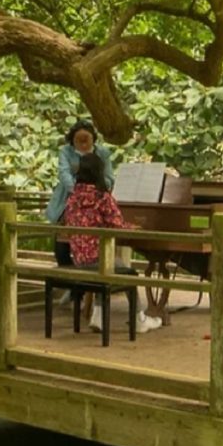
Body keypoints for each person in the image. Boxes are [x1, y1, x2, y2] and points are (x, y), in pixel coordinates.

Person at [62, 152, 161, 334]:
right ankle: (139, 320)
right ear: (99, 172)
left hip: (79, 259)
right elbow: (117, 224)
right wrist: (136, 228)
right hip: (98, 261)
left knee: (109, 264)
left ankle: (98, 317)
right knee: (128, 273)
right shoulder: (102, 197)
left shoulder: (73, 197)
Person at [46, 119, 115, 275]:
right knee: (62, 246)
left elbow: (109, 177)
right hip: (69, 199)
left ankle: (91, 280)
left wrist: (97, 191)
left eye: (87, 140)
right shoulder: (65, 151)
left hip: (97, 199)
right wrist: (78, 192)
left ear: (93, 139)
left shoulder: (103, 153)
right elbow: (64, 173)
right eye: (79, 140)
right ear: (72, 140)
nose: (84, 144)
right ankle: (70, 281)